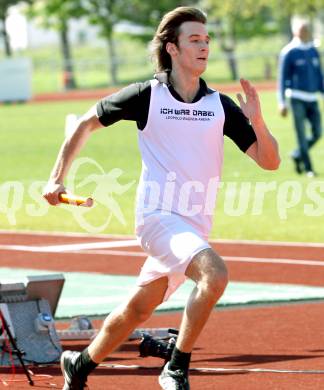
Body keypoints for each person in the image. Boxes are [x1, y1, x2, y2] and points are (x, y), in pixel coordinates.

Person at [43, 6, 280, 390]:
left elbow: (269, 162)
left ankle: (80, 364)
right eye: (194, 40)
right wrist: (56, 179)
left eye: (207, 40)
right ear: (171, 48)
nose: (204, 47)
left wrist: (257, 119)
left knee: (139, 307)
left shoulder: (220, 105)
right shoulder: (147, 95)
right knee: (214, 275)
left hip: (194, 226)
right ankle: (175, 367)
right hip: (156, 217)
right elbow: (86, 122)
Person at [278, 17, 323, 177]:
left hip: (312, 99)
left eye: (306, 28)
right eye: (301, 29)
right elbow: (282, 79)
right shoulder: (289, 51)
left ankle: (297, 155)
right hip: (296, 99)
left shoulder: (313, 50)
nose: (304, 31)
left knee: (318, 132)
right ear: (295, 31)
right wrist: (281, 102)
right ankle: (309, 168)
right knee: (301, 135)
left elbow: (319, 75)